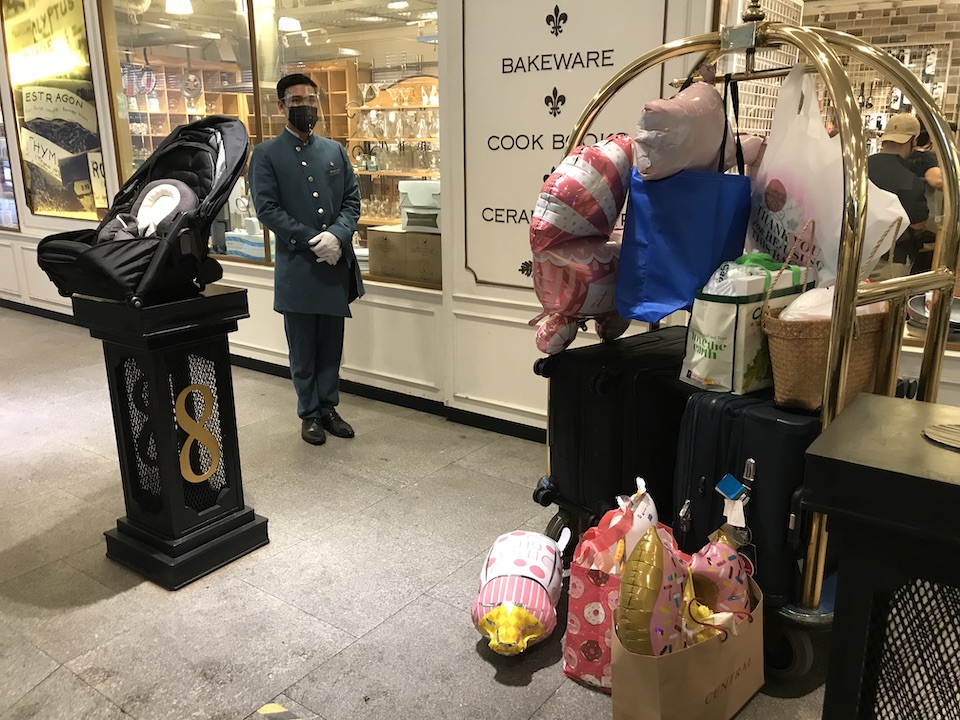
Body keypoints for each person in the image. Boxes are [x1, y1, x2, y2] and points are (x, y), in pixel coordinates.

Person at [249, 73, 363, 445]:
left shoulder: (334, 151)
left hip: (334, 264)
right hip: (298, 267)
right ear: (281, 106)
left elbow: (351, 201)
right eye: (297, 101)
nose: (306, 107)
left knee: (331, 345)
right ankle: (309, 413)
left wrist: (337, 235)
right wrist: (313, 239)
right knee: (302, 347)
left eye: (311, 100)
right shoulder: (266, 154)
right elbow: (267, 209)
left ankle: (329, 408)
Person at [866, 113, 928, 279]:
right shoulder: (909, 179)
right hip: (891, 261)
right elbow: (918, 225)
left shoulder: (860, 166)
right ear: (913, 140)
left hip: (853, 257)